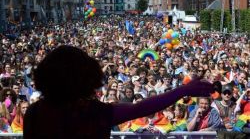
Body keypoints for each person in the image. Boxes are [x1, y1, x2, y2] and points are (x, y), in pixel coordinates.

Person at [24, 45, 214, 139]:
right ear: (86, 78)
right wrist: (183, 90)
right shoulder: (94, 112)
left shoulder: (34, 112)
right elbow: (140, 108)